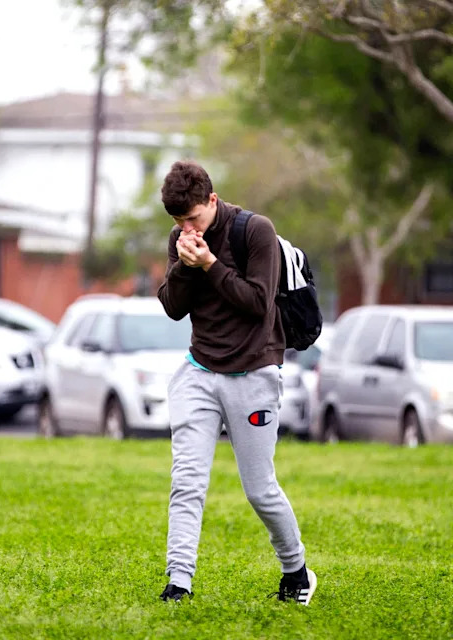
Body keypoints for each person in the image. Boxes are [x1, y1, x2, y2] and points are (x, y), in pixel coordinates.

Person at [156, 160, 317, 605]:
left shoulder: (255, 231)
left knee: (259, 489)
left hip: (253, 372)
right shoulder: (180, 240)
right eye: (178, 222)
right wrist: (185, 266)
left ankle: (296, 571)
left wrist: (208, 264)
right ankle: (179, 583)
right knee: (187, 481)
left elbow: (258, 303)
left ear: (212, 200)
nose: (188, 229)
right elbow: (172, 307)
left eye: (193, 218)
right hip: (199, 371)